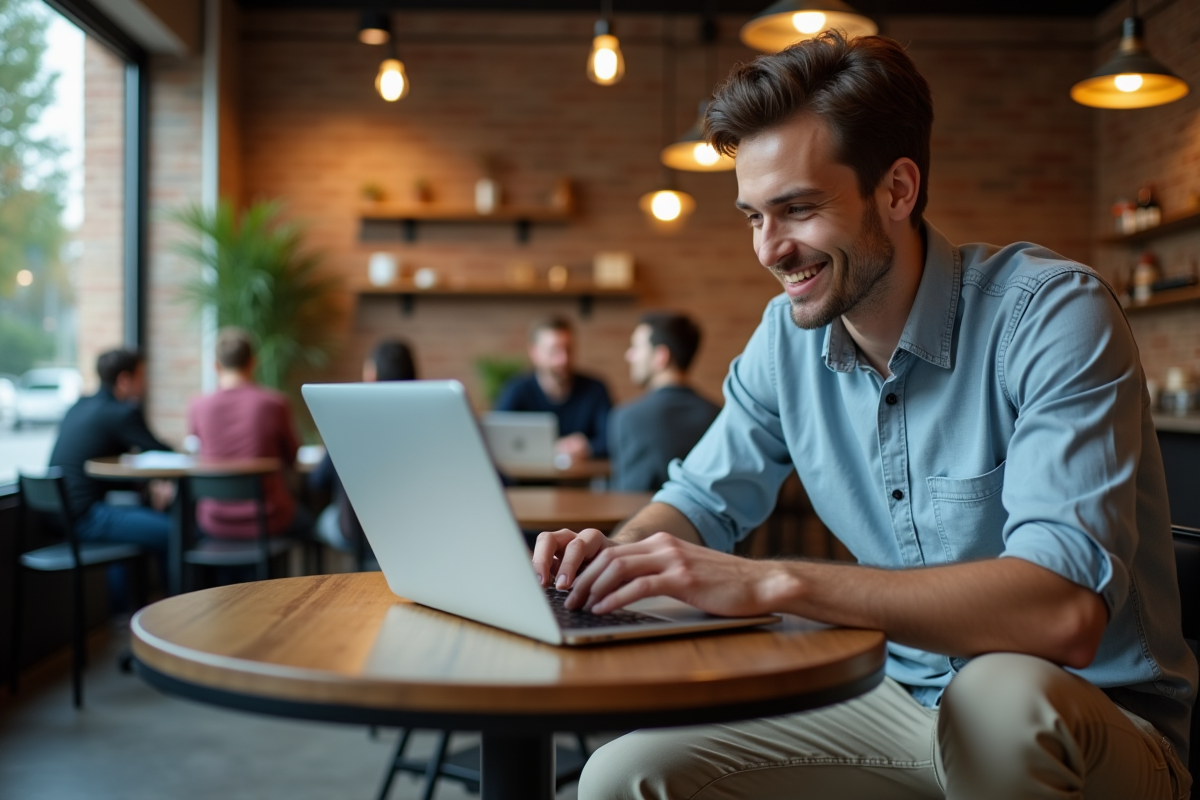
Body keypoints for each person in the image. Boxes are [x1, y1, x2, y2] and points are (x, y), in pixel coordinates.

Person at [532, 32, 1196, 800]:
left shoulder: (1050, 314)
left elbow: (1062, 614)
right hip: (900, 705)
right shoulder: (785, 340)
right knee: (624, 774)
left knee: (997, 698)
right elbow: (697, 503)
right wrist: (607, 564)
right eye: (753, 216)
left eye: (798, 209)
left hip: (1092, 720)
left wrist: (776, 582)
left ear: (898, 190)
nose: (770, 249)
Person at [48, 349, 173, 597]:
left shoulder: (80, 405)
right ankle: (180, 612)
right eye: (142, 376)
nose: (146, 383)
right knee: (174, 532)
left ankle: (121, 613)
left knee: (136, 520)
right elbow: (162, 452)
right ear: (125, 379)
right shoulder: (121, 412)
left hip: (55, 514)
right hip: (84, 516)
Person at [187, 328, 305, 539]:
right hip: (269, 517)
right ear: (252, 362)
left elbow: (198, 450)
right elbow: (292, 458)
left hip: (214, 519)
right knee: (308, 520)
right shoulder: (275, 404)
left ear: (216, 365)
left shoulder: (198, 406)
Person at [308, 339, 416, 556]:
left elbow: (318, 480)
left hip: (355, 533)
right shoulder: (424, 420)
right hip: (409, 533)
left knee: (324, 520)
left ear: (371, 374)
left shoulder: (350, 421)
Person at [608, 312, 720, 492]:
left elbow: (627, 500)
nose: (629, 355)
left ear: (661, 356)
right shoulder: (718, 415)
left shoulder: (629, 418)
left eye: (636, 347)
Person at [494, 316, 612, 461]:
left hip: (580, 480)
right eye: (554, 351)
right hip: (528, 480)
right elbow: (496, 441)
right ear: (534, 352)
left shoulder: (595, 389)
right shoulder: (516, 390)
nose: (563, 359)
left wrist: (588, 447)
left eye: (568, 349)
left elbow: (612, 440)